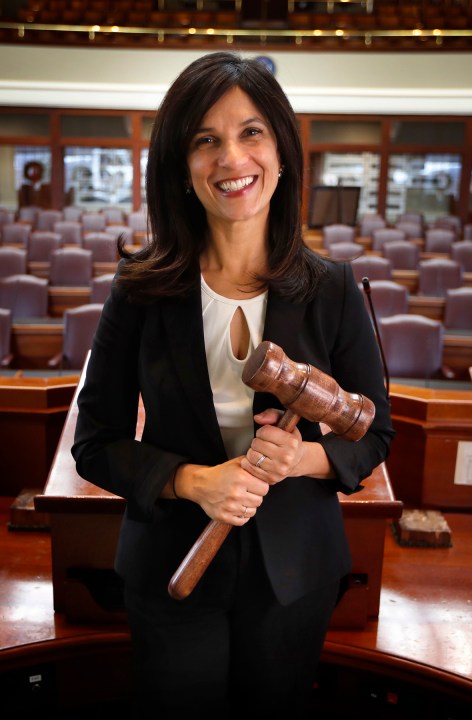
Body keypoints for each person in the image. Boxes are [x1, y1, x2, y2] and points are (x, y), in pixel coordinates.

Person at [72, 51, 394, 719]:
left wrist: (303, 457)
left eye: (251, 133)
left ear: (280, 152)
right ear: (181, 167)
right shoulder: (139, 290)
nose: (231, 158)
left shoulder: (332, 288)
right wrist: (192, 480)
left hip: (294, 574)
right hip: (171, 568)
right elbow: (95, 443)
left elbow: (374, 430)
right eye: (205, 140)